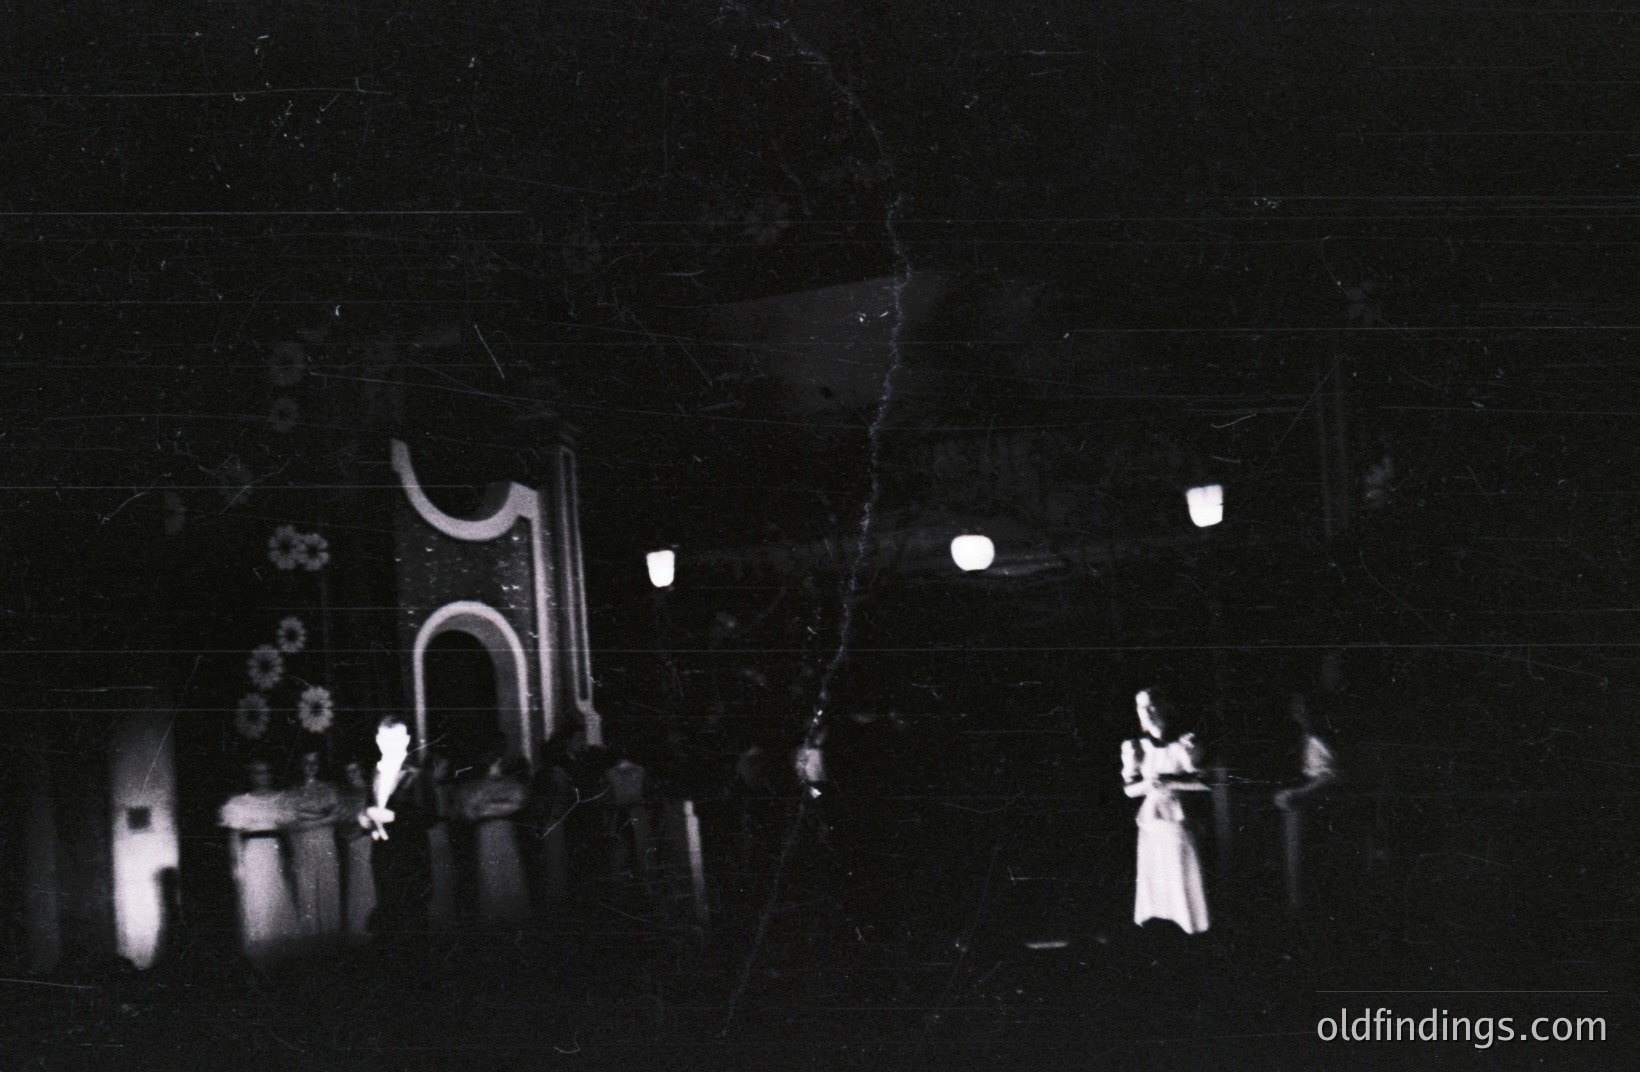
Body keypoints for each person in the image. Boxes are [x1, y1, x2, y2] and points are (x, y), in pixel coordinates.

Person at [1122, 687, 1211, 935]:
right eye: (1141, 707)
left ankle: (1190, 929)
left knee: (1180, 873)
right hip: (1152, 821)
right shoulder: (1136, 747)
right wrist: (1148, 785)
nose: (1147, 712)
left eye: (1152, 705)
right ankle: (1157, 931)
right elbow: (1129, 790)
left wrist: (1171, 782)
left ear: (1166, 707)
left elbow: (1205, 783)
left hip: (1179, 818)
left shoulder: (1185, 744)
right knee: (1155, 876)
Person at [218, 757, 301, 965]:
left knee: (276, 892)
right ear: (250, 775)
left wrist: (291, 857)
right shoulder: (240, 803)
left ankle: (279, 946)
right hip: (253, 853)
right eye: (257, 772)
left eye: (265, 772)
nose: (261, 777)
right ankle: (258, 945)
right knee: (256, 893)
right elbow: (234, 836)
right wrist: (236, 863)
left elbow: (289, 833)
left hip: (274, 851)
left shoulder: (280, 799)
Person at [1275, 692, 1341, 917]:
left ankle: (1304, 911)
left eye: (1301, 710)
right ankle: (1297, 907)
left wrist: (1297, 792)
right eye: (1295, 710)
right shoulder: (1302, 738)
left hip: (1311, 806)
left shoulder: (1317, 739)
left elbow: (1329, 775)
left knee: (1305, 861)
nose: (1297, 715)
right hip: (1299, 804)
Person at [455, 752, 533, 926]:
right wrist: (497, 807)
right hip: (486, 832)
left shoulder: (511, 784)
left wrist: (486, 809)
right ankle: (494, 913)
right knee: (490, 871)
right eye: (494, 762)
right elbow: (469, 812)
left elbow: (518, 802)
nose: (497, 766)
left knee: (510, 869)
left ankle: (513, 913)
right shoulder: (473, 787)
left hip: (505, 831)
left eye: (499, 762)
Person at [283, 749, 344, 949]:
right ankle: (310, 936)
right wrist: (320, 817)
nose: (310, 767)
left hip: (325, 840)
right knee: (306, 884)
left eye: (314, 763)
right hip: (303, 842)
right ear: (300, 766)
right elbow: (292, 822)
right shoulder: (294, 791)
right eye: (306, 762)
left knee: (327, 881)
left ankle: (330, 933)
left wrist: (308, 817)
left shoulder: (329, 789)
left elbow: (336, 816)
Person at [337, 758, 377, 946]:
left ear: (361, 770)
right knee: (358, 882)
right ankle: (358, 926)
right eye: (348, 772)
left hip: (372, 842)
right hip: (354, 844)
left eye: (355, 770)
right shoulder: (345, 796)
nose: (352, 775)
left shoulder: (371, 791)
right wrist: (353, 831)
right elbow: (342, 825)